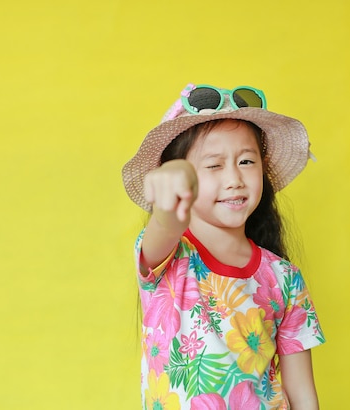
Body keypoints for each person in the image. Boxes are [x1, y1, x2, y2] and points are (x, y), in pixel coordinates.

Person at [122, 83, 325, 409]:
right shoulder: (169, 258)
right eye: (213, 165)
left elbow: (303, 395)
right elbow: (167, 221)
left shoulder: (284, 277)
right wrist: (174, 178)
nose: (234, 179)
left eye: (246, 161)